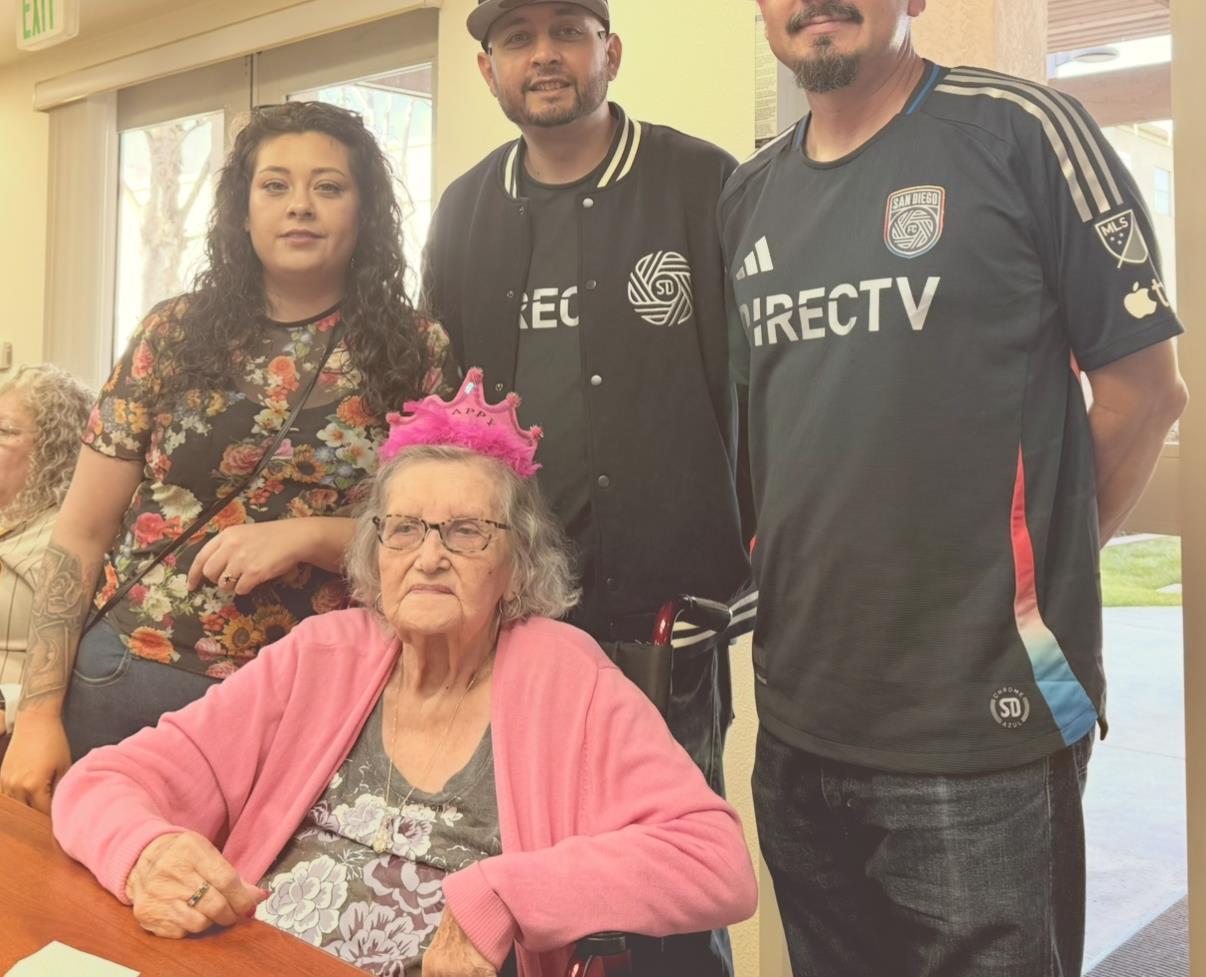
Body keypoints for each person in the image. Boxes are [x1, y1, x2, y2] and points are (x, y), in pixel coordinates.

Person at [719, 0, 1189, 974]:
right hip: (800, 721)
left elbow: (1142, 393)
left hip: (982, 724)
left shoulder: (1021, 133)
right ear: (764, 1)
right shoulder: (749, 194)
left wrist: (1027, 583)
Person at [51, 371, 757, 977]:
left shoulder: (562, 673)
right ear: (375, 553)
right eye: (406, 528)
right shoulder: (322, 654)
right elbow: (101, 781)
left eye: (467, 531)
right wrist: (148, 849)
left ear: (515, 567)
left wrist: (510, 895)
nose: (429, 556)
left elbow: (715, 861)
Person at [423, 0, 753, 975]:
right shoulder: (465, 210)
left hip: (667, 619)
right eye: (517, 37)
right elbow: (445, 420)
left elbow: (764, 387)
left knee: (667, 886)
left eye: (568, 30)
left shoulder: (703, 182)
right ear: (488, 71)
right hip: (517, 618)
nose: (545, 53)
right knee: (531, 864)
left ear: (611, 49)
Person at [2, 100, 449, 814]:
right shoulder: (171, 334)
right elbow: (79, 535)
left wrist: (311, 536)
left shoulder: (414, 351)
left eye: (329, 186)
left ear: (366, 212)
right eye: (275, 185)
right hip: (134, 675)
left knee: (250, 914)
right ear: (242, 210)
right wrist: (36, 713)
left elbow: (440, 534)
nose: (300, 206)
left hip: (314, 697)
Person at [0, 364, 93, 756]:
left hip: (17, 732)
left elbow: (85, 676)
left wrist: (9, 699)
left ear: (56, 446)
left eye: (5, 431)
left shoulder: (68, 538)